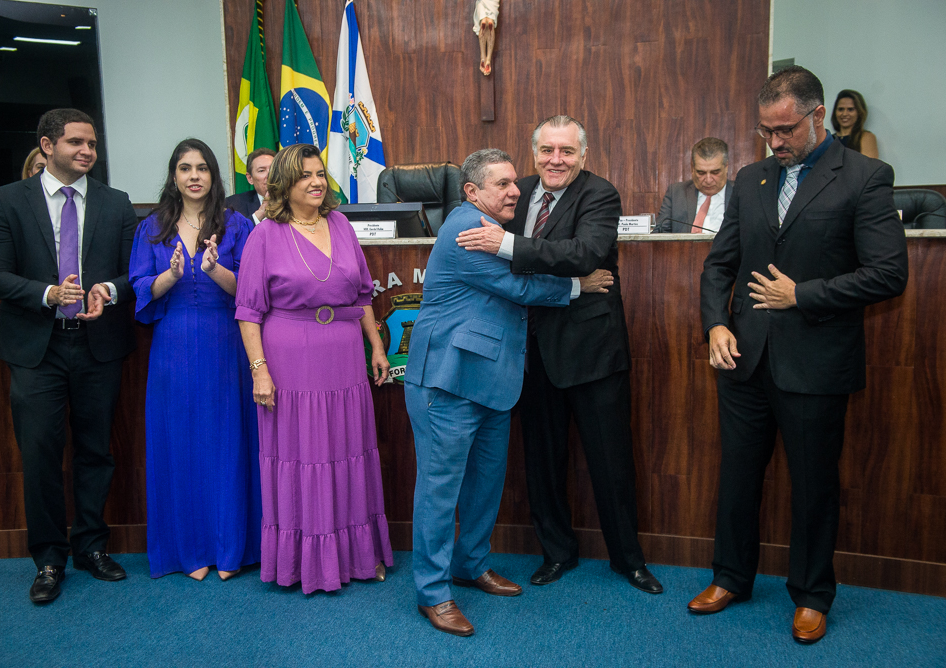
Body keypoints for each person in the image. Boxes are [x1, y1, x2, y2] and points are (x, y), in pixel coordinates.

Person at [692, 66, 907, 643]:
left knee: (813, 484)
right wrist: (716, 324)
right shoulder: (752, 177)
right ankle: (731, 576)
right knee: (738, 475)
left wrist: (802, 295)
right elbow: (719, 264)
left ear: (817, 116)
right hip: (744, 359)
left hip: (816, 361)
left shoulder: (864, 176)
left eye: (785, 130)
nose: (775, 142)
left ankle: (812, 594)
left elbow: (889, 274)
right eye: (766, 132)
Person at [406, 148, 613, 637]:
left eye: (512, 182)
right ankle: (433, 592)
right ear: (472, 191)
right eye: (501, 184)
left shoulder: (497, 231)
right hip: (447, 382)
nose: (515, 190)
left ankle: (470, 565)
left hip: (493, 382)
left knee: (485, 484)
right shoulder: (465, 229)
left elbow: (517, 267)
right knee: (440, 493)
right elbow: (517, 284)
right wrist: (577, 286)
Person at [456, 115, 662, 595]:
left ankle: (628, 561)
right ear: (534, 153)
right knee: (543, 464)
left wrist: (508, 244)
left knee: (610, 463)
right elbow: (475, 228)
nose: (556, 159)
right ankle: (557, 554)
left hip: (591, 351)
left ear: (582, 155)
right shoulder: (517, 190)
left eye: (566, 151)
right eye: (547, 150)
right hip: (530, 354)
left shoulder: (600, 194)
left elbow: (585, 252)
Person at [0, 108, 137, 604]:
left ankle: (91, 546)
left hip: (97, 345)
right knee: (42, 455)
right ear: (47, 146)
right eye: (75, 142)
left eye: (91, 143)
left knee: (96, 451)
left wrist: (106, 290)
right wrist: (49, 293)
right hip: (37, 348)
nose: (87, 151)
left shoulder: (116, 203)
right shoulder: (7, 200)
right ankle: (49, 558)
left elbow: (136, 272)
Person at [235, 144, 393, 594]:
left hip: (344, 356)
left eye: (320, 173)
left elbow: (361, 296)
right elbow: (248, 312)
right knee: (304, 457)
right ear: (285, 183)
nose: (316, 182)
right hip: (290, 358)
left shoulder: (341, 224)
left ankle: (359, 555)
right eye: (305, 175)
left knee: (348, 452)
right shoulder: (264, 234)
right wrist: (259, 370)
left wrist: (376, 347)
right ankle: (305, 562)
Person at [128, 139, 261, 581]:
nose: (194, 176)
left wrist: (213, 270)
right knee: (181, 443)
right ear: (173, 176)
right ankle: (191, 551)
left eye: (202, 167)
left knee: (228, 441)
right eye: (185, 168)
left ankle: (232, 548)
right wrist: (170, 274)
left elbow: (253, 289)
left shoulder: (238, 225)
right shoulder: (151, 227)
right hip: (176, 346)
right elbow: (139, 288)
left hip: (228, 344)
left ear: (214, 175)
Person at [653, 137, 735, 233]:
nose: (708, 180)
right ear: (692, 168)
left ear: (726, 167)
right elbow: (660, 233)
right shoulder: (676, 193)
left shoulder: (742, 193)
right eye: (701, 173)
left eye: (715, 172)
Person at [226, 147, 275, 223]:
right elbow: (235, 233)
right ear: (250, 178)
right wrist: (259, 215)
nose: (270, 175)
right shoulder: (233, 205)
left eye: (274, 169)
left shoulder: (295, 201)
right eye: (261, 170)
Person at [831, 89, 878, 159]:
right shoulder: (829, 139)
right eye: (841, 109)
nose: (844, 114)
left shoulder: (866, 137)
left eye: (850, 109)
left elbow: (869, 168)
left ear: (859, 112)